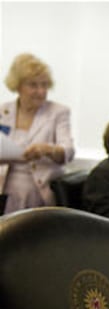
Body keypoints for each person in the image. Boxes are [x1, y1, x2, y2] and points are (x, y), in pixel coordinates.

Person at [0, 53, 74, 214]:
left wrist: (48, 149)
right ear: (18, 86)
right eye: (33, 85)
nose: (40, 91)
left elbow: (68, 150)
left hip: (41, 191)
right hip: (5, 191)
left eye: (45, 85)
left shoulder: (58, 112)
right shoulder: (3, 111)